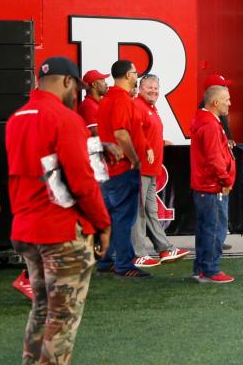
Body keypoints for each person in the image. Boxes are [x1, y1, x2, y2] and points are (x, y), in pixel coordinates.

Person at [6, 57, 111, 365]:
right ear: (68, 82)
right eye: (75, 87)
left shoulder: (18, 117)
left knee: (42, 309)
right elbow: (81, 181)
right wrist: (103, 225)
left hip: (27, 229)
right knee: (62, 317)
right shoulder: (65, 119)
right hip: (61, 231)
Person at [96, 60, 150, 278]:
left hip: (108, 167)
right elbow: (120, 133)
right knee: (123, 217)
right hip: (121, 167)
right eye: (135, 73)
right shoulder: (121, 99)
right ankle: (124, 263)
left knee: (110, 215)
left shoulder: (107, 98)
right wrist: (134, 158)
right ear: (128, 75)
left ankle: (106, 259)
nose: (137, 77)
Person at [132, 74, 190, 267]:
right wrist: (147, 148)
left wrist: (160, 142)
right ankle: (138, 253)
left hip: (151, 169)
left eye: (156, 88)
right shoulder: (137, 106)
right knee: (139, 212)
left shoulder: (151, 108)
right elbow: (135, 134)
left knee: (150, 211)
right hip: (140, 169)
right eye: (149, 87)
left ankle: (164, 248)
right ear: (140, 88)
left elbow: (148, 133)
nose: (153, 91)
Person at [190, 84, 237, 284]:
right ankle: (210, 269)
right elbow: (214, 157)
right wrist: (225, 180)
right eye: (226, 99)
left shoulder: (204, 121)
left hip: (204, 187)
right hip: (212, 187)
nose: (230, 103)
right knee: (214, 229)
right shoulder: (210, 125)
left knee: (205, 229)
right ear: (216, 103)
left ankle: (201, 268)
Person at [79, 69, 109, 135]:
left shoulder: (97, 104)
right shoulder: (88, 105)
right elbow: (95, 133)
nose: (106, 84)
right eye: (103, 81)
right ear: (94, 84)